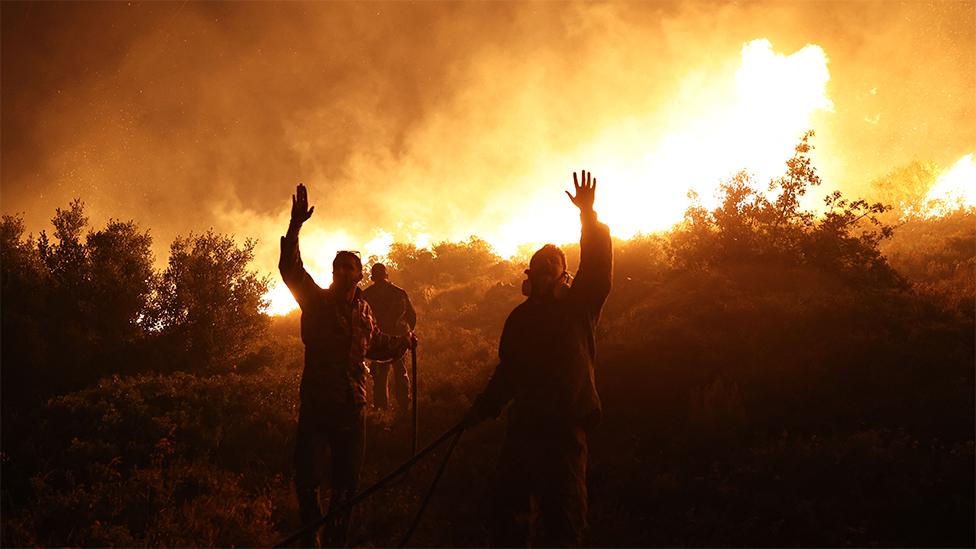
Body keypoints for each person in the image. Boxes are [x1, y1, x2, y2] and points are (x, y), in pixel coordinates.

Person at [464, 170, 612, 547]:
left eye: (553, 263)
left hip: (564, 430)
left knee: (565, 521)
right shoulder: (519, 319)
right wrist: (483, 408)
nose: (546, 268)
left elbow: (597, 267)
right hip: (524, 429)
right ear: (529, 275)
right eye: (539, 263)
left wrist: (588, 217)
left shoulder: (580, 306)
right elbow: (508, 373)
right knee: (511, 518)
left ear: (565, 274)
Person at [280, 183, 415, 548]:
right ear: (335, 273)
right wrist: (295, 228)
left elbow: (377, 346)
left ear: (359, 276)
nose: (342, 271)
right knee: (307, 481)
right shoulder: (316, 301)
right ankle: (313, 539)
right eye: (338, 266)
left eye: (349, 267)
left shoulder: (364, 312)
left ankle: (336, 541)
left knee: (346, 485)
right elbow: (291, 269)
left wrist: (404, 341)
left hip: (352, 408)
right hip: (318, 406)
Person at [362, 263, 417, 416]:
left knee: (379, 377)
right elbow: (412, 317)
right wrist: (407, 334)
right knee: (400, 373)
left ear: (373, 277)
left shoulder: (367, 295)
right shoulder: (399, 293)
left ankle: (381, 411)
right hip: (398, 340)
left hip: (377, 343)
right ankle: (404, 408)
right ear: (386, 275)